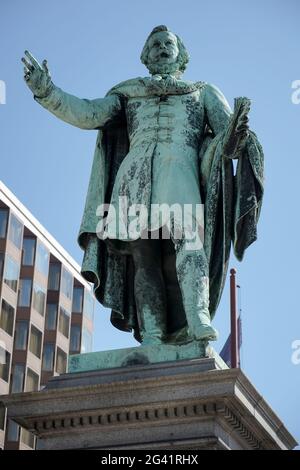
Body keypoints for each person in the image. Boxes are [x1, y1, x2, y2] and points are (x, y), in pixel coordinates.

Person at [22, 25, 264, 346]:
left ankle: (198, 318)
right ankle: (151, 335)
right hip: (133, 177)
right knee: (143, 257)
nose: (162, 48)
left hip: (181, 172)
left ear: (181, 54)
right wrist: (47, 92)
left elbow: (227, 145)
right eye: (155, 45)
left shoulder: (203, 92)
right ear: (146, 57)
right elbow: (89, 113)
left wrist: (238, 130)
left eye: (168, 43)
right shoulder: (127, 92)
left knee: (189, 244)